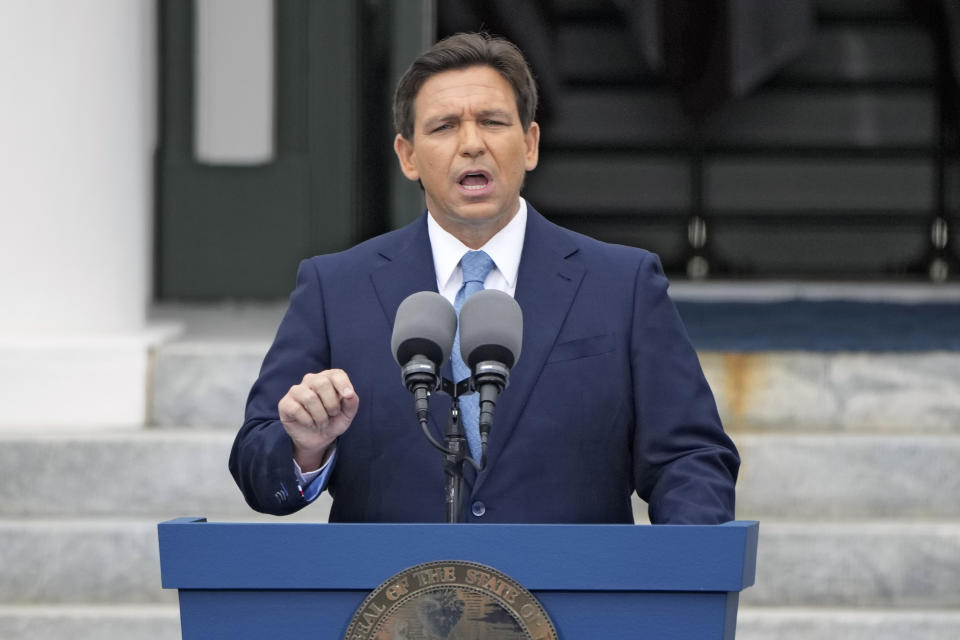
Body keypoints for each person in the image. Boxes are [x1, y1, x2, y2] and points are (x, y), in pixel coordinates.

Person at [229, 32, 739, 524]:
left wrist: (680, 578)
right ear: (408, 156)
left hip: (571, 604)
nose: (471, 144)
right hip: (392, 605)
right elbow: (257, 467)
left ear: (531, 143)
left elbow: (691, 457)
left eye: (493, 122)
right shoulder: (334, 288)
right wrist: (305, 446)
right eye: (444, 126)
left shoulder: (622, 284)